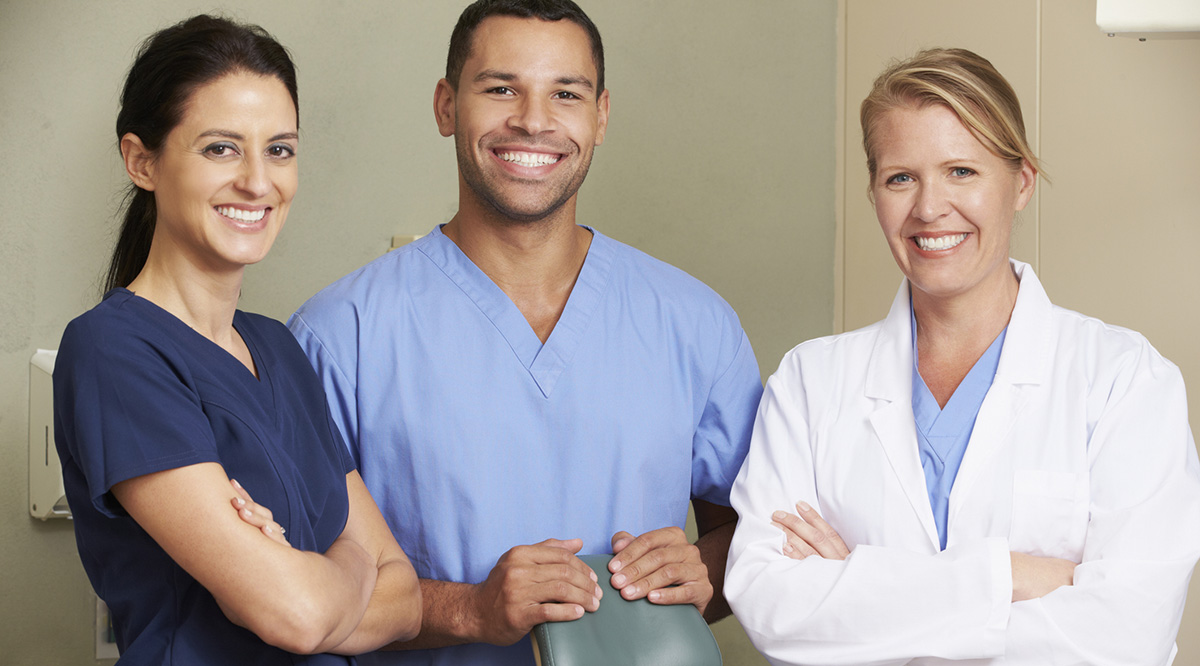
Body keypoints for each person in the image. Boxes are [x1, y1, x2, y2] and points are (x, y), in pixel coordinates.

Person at [287, 0, 764, 663]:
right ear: (446, 106)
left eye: (565, 93)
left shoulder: (695, 323)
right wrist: (470, 609)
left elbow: (750, 535)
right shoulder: (339, 336)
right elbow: (297, 589)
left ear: (600, 116)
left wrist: (704, 575)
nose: (534, 121)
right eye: (501, 88)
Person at [725, 47, 1200, 665]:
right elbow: (769, 604)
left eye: (962, 172)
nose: (929, 208)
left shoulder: (1124, 380)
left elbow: (1126, 635)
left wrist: (861, 582)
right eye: (901, 178)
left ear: (1021, 182)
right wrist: (1013, 576)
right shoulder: (811, 381)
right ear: (873, 191)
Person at [53, 15, 421, 664]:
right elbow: (299, 616)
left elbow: (409, 600)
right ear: (142, 161)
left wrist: (313, 574)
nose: (258, 180)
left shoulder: (279, 349)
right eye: (221, 147)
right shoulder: (114, 353)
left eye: (279, 149)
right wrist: (354, 561)